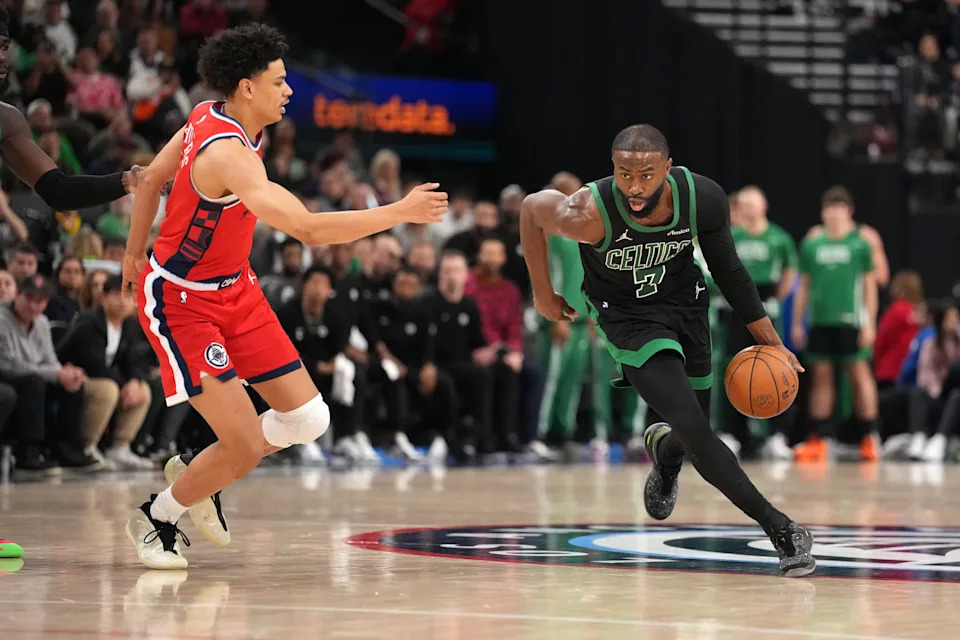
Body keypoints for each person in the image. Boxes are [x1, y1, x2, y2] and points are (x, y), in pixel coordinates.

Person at [121, 24, 446, 569]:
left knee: (309, 419)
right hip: (184, 302)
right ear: (247, 87)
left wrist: (133, 252)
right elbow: (310, 231)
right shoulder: (228, 153)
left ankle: (200, 468)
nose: (289, 89)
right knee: (246, 444)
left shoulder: (214, 115)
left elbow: (151, 179)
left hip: (238, 289)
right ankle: (158, 515)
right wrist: (398, 212)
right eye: (279, 81)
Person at [519, 124, 814, 577]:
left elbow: (730, 271)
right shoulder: (588, 212)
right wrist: (542, 293)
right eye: (623, 175)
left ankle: (666, 453)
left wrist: (770, 341)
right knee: (698, 428)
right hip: (627, 319)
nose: (634, 188)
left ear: (668, 170)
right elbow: (530, 208)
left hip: (686, 306)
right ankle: (781, 529)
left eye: (646, 176)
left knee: (691, 428)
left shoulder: (704, 199)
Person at [792, 186, 879, 463]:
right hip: (820, 320)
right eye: (830, 208)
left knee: (859, 375)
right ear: (823, 212)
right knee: (821, 379)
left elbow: (869, 286)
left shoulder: (860, 244)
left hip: (851, 320)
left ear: (849, 211)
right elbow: (803, 286)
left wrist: (869, 323)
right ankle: (819, 439)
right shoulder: (813, 244)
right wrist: (797, 322)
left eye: (840, 208)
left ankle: (870, 436)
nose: (834, 213)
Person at [722, 186, 798, 460]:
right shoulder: (734, 235)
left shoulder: (779, 238)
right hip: (737, 309)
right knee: (736, 369)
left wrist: (779, 294)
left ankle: (778, 435)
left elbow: (790, 270)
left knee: (778, 367)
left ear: (764, 206)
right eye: (743, 204)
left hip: (768, 308)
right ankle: (735, 434)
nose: (747, 208)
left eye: (752, 203)